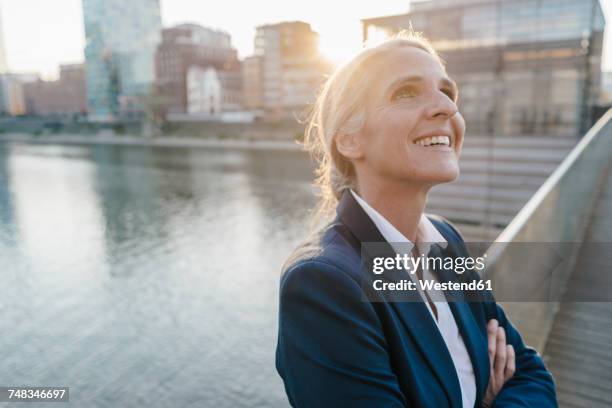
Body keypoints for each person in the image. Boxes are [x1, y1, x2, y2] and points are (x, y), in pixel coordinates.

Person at [275, 31, 557, 408]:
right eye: (406, 92)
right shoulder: (322, 283)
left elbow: (531, 374)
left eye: (448, 93)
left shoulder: (445, 238)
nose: (447, 108)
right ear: (349, 140)